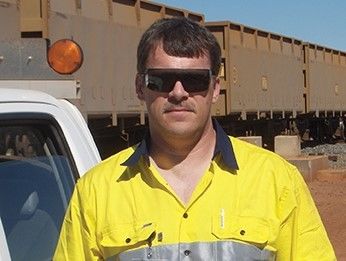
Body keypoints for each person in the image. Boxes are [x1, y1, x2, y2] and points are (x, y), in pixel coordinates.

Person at [54, 17, 336, 260]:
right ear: (141, 87)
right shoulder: (96, 191)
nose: (178, 92)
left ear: (215, 89)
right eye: (161, 80)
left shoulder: (277, 182)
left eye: (194, 80)